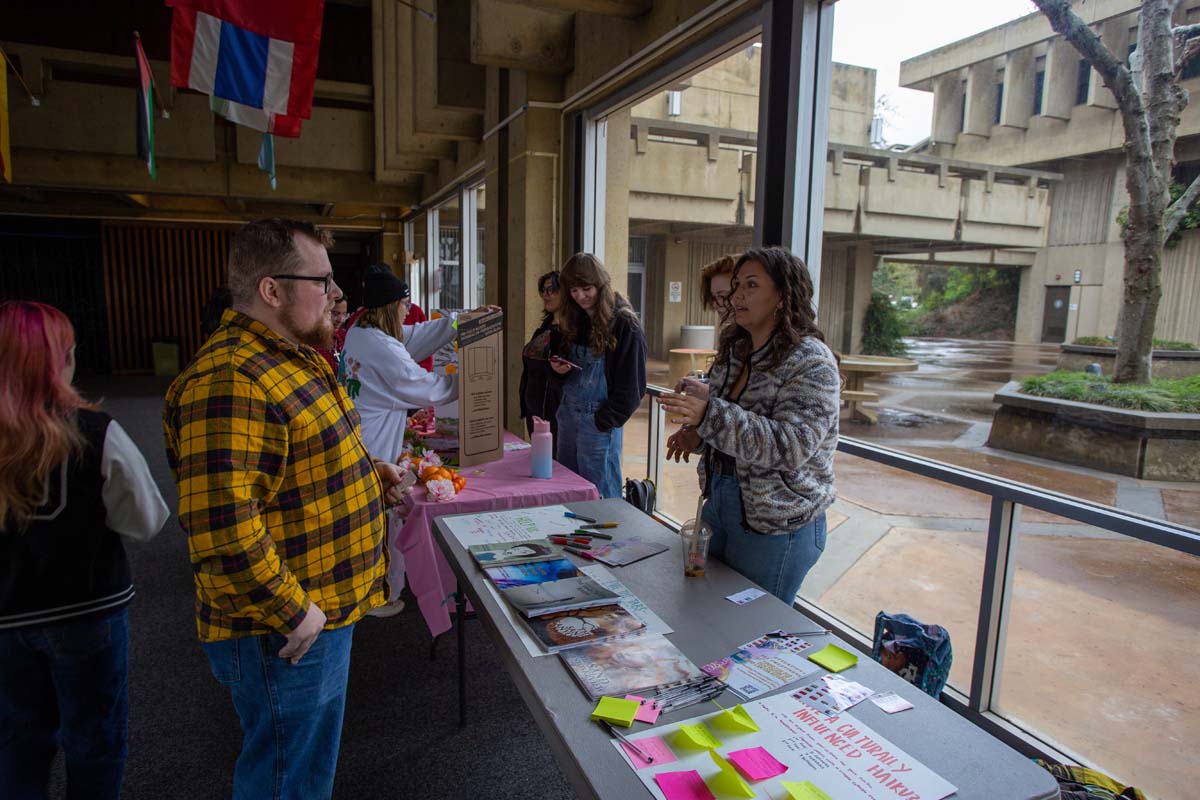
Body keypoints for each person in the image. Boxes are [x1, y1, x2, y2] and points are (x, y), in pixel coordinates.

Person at [163, 218, 409, 799]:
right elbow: (221, 526)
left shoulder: (287, 357)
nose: (336, 296)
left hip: (314, 615)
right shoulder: (232, 379)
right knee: (286, 781)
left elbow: (291, 465)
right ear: (271, 290)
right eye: (322, 282)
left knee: (304, 770)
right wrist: (296, 613)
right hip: (284, 631)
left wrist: (371, 476)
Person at [0, 300, 168, 800]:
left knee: (17, 740)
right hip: (86, 611)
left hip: (6, 620)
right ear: (62, 360)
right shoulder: (97, 433)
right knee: (94, 737)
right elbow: (146, 521)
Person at [659, 246, 840, 603]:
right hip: (722, 504)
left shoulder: (811, 362)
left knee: (752, 634)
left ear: (784, 295)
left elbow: (793, 446)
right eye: (738, 284)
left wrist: (709, 415)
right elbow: (732, 430)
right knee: (708, 611)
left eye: (751, 286)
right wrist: (698, 436)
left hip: (776, 523)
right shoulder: (736, 351)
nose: (737, 296)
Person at [339, 263, 466, 618]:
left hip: (363, 434)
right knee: (382, 513)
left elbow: (416, 335)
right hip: (374, 441)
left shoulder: (361, 331)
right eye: (402, 305)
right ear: (387, 307)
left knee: (375, 514)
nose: (406, 311)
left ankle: (376, 585)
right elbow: (426, 387)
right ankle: (379, 593)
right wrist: (472, 378)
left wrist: (461, 322)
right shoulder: (380, 346)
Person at [550, 253, 648, 499]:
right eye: (573, 290)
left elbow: (633, 389)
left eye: (586, 288)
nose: (580, 297)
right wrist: (558, 370)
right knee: (567, 493)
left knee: (602, 499)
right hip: (568, 416)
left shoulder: (625, 323)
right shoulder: (574, 317)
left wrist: (601, 422)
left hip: (598, 423)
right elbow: (561, 364)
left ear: (601, 285)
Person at [519, 270, 565, 443]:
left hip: (554, 413)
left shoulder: (572, 331)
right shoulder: (545, 326)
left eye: (551, 290)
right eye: (543, 290)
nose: (545, 295)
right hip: (535, 409)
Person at [317, 294, 350, 374]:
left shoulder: (345, 336)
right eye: (335, 313)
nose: (341, 320)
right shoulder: (313, 343)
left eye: (344, 314)